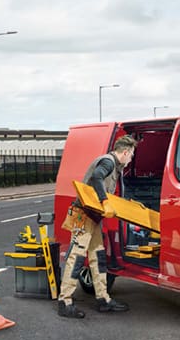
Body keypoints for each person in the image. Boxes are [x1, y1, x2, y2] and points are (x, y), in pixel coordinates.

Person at [57, 135, 136, 318]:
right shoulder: (108, 162)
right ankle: (65, 301)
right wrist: (104, 201)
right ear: (125, 152)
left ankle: (103, 298)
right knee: (76, 258)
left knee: (98, 256)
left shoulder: (114, 165)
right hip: (84, 215)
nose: (130, 159)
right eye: (131, 155)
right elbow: (97, 176)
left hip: (93, 218)